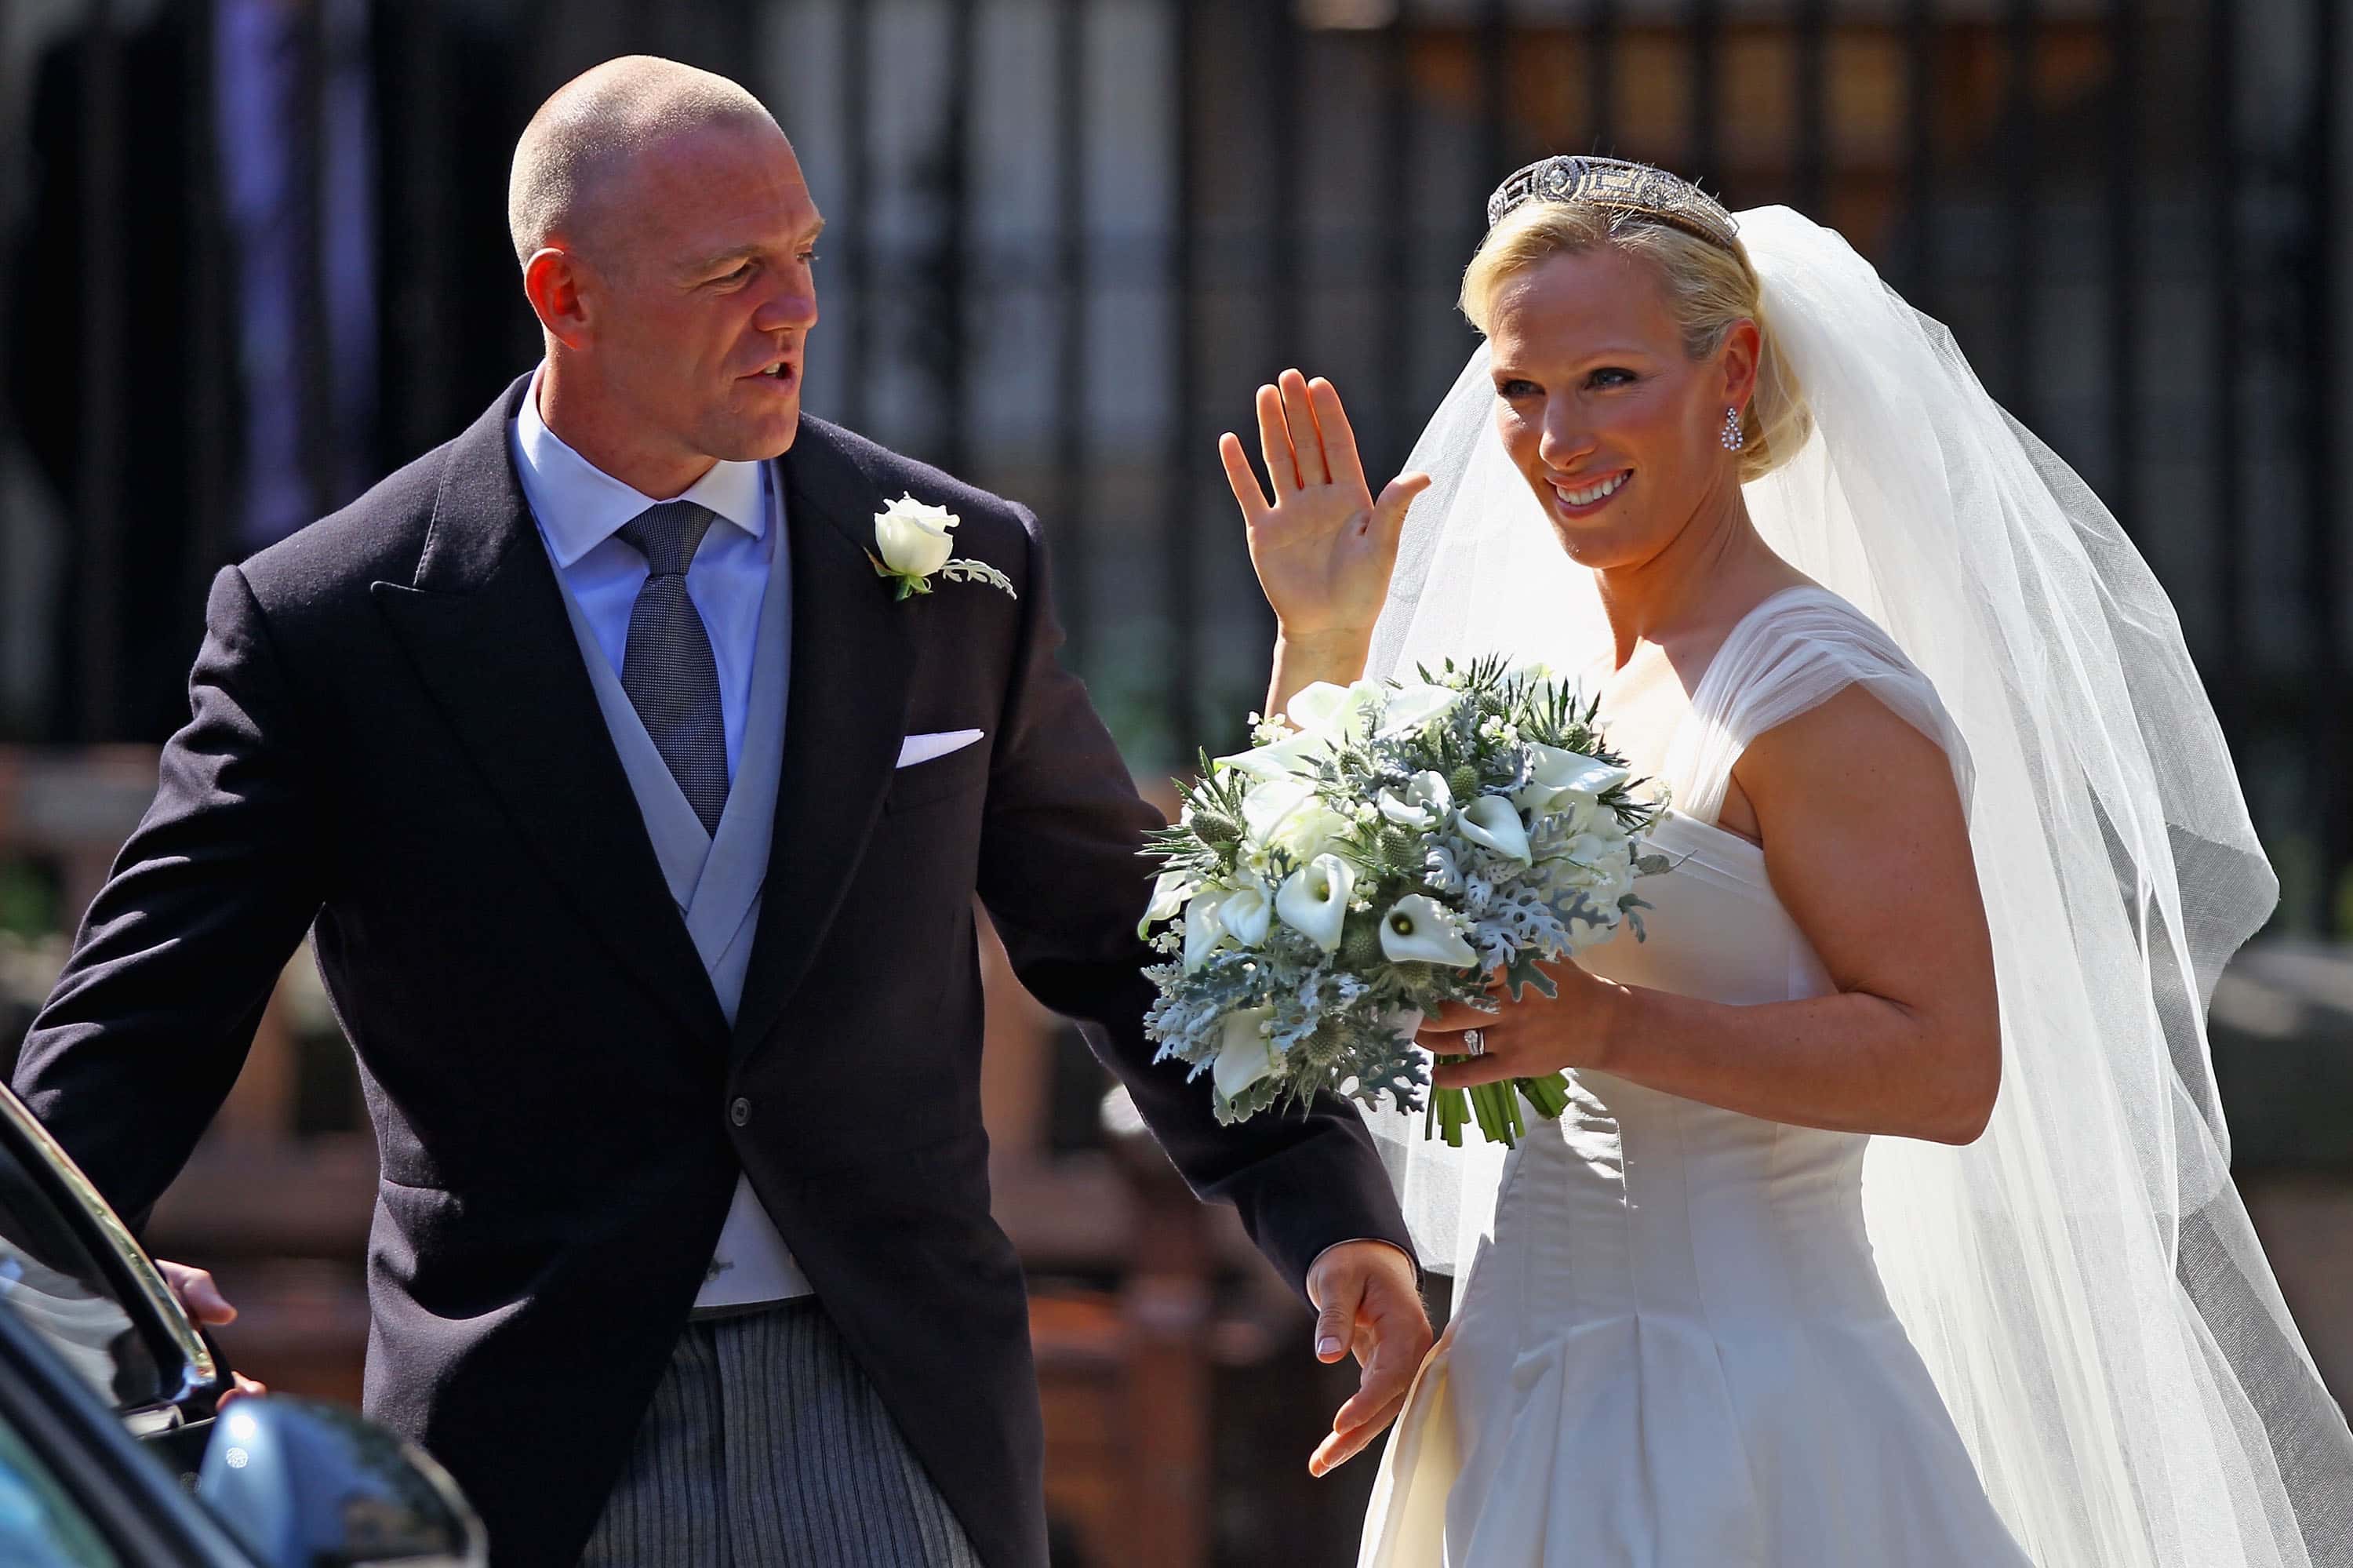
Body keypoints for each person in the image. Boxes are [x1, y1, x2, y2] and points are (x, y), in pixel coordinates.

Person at [11, 57, 1429, 1568]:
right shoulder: (334, 623)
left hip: (896, 1411)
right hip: (531, 1429)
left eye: (803, 255)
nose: (796, 309)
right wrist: (47, 1267)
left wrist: (1328, 1209)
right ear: (567, 296)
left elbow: (1122, 939)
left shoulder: (958, 571)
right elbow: (151, 1004)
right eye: (733, 272)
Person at [1220, 156, 2353, 1566]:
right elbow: (1295, 962)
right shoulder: (1538, 675)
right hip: (1515, 1384)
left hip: (1738, 1411)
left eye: (1610, 379)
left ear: (1730, 369)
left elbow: (1946, 1071)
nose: (1555, 435)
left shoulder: (1818, 694)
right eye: (1521, 389)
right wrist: (1322, 644)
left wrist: (1606, 1025)